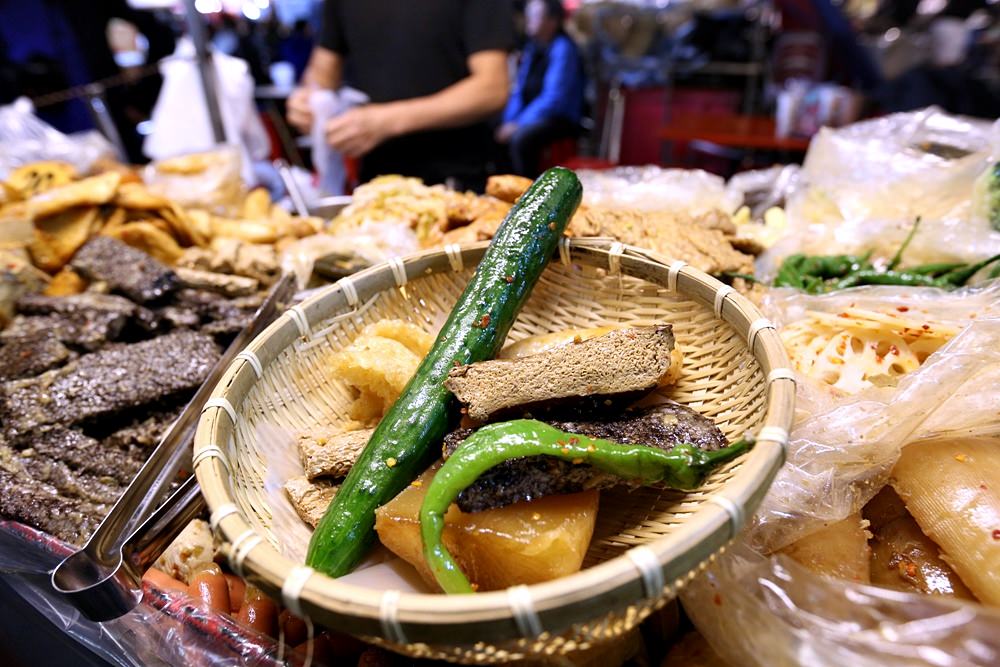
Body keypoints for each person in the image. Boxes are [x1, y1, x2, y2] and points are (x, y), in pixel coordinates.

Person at [286, 0, 514, 192]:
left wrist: (386, 121)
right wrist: (307, 99)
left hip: (458, 181)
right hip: (376, 186)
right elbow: (323, 72)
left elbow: (492, 88)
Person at [496, 0, 585, 177]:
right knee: (493, 130)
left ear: (552, 21)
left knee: (521, 139)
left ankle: (529, 190)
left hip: (559, 118)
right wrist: (509, 121)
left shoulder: (563, 49)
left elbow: (553, 98)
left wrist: (518, 124)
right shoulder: (532, 48)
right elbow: (519, 90)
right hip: (534, 113)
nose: (529, 20)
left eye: (535, 16)